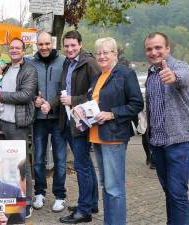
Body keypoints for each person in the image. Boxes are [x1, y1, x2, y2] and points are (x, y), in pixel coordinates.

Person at [79, 37, 143, 225]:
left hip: (113, 137)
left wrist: (111, 114)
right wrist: (82, 111)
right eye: (98, 53)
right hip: (96, 136)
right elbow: (96, 103)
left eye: (106, 52)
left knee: (114, 188)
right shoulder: (98, 76)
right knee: (106, 186)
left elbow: (136, 104)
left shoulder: (125, 74)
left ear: (115, 54)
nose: (101, 56)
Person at [40, 30, 101, 223]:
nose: (69, 49)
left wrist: (73, 100)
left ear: (80, 44)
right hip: (68, 121)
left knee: (82, 166)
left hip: (82, 122)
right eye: (66, 46)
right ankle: (91, 203)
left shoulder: (89, 63)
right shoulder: (68, 62)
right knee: (86, 164)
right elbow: (62, 91)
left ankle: (83, 211)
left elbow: (98, 94)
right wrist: (51, 103)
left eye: (73, 45)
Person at [144, 32, 189, 225]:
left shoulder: (178, 66)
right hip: (158, 143)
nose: (154, 52)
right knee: (169, 192)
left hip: (181, 141)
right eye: (149, 49)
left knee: (177, 193)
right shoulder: (151, 74)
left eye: (158, 47)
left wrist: (173, 76)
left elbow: (185, 77)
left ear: (168, 48)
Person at [0, 37, 37, 218]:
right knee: (3, 164)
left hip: (18, 124)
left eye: (18, 48)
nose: (14, 50)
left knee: (22, 164)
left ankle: (27, 201)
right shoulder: (6, 68)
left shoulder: (29, 69)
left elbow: (26, 95)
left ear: (23, 51)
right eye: (12, 48)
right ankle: (8, 199)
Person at [30, 31, 69, 213]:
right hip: (38, 119)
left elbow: (67, 87)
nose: (44, 47)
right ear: (36, 45)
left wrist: (52, 104)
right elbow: (27, 87)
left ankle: (60, 195)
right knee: (38, 159)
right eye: (40, 44)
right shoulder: (30, 62)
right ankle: (39, 192)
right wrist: (33, 100)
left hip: (59, 118)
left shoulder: (63, 61)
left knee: (60, 160)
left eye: (47, 44)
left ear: (52, 43)